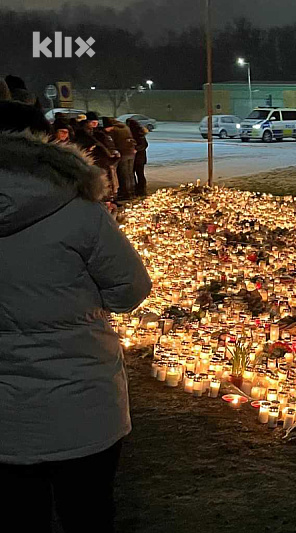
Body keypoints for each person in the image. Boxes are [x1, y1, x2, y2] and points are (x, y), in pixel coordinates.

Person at [0, 101, 152, 532]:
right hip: (81, 397)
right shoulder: (78, 211)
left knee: (16, 514)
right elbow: (130, 289)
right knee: (87, 513)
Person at [74, 119, 119, 200]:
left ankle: (108, 198)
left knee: (106, 179)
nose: (94, 125)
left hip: (101, 160)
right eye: (92, 123)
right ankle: (105, 198)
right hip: (96, 161)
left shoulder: (97, 134)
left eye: (95, 123)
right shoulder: (85, 136)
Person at [106, 117, 136, 200]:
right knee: (130, 173)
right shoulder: (126, 128)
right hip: (130, 152)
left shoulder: (114, 130)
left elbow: (113, 142)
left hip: (122, 153)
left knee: (123, 174)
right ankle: (132, 191)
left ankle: (126, 193)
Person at [127, 118, 149, 196]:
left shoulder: (138, 134)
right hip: (140, 158)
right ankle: (139, 189)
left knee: (138, 174)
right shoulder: (140, 133)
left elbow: (144, 145)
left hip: (138, 157)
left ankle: (141, 190)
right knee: (138, 174)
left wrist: (136, 149)